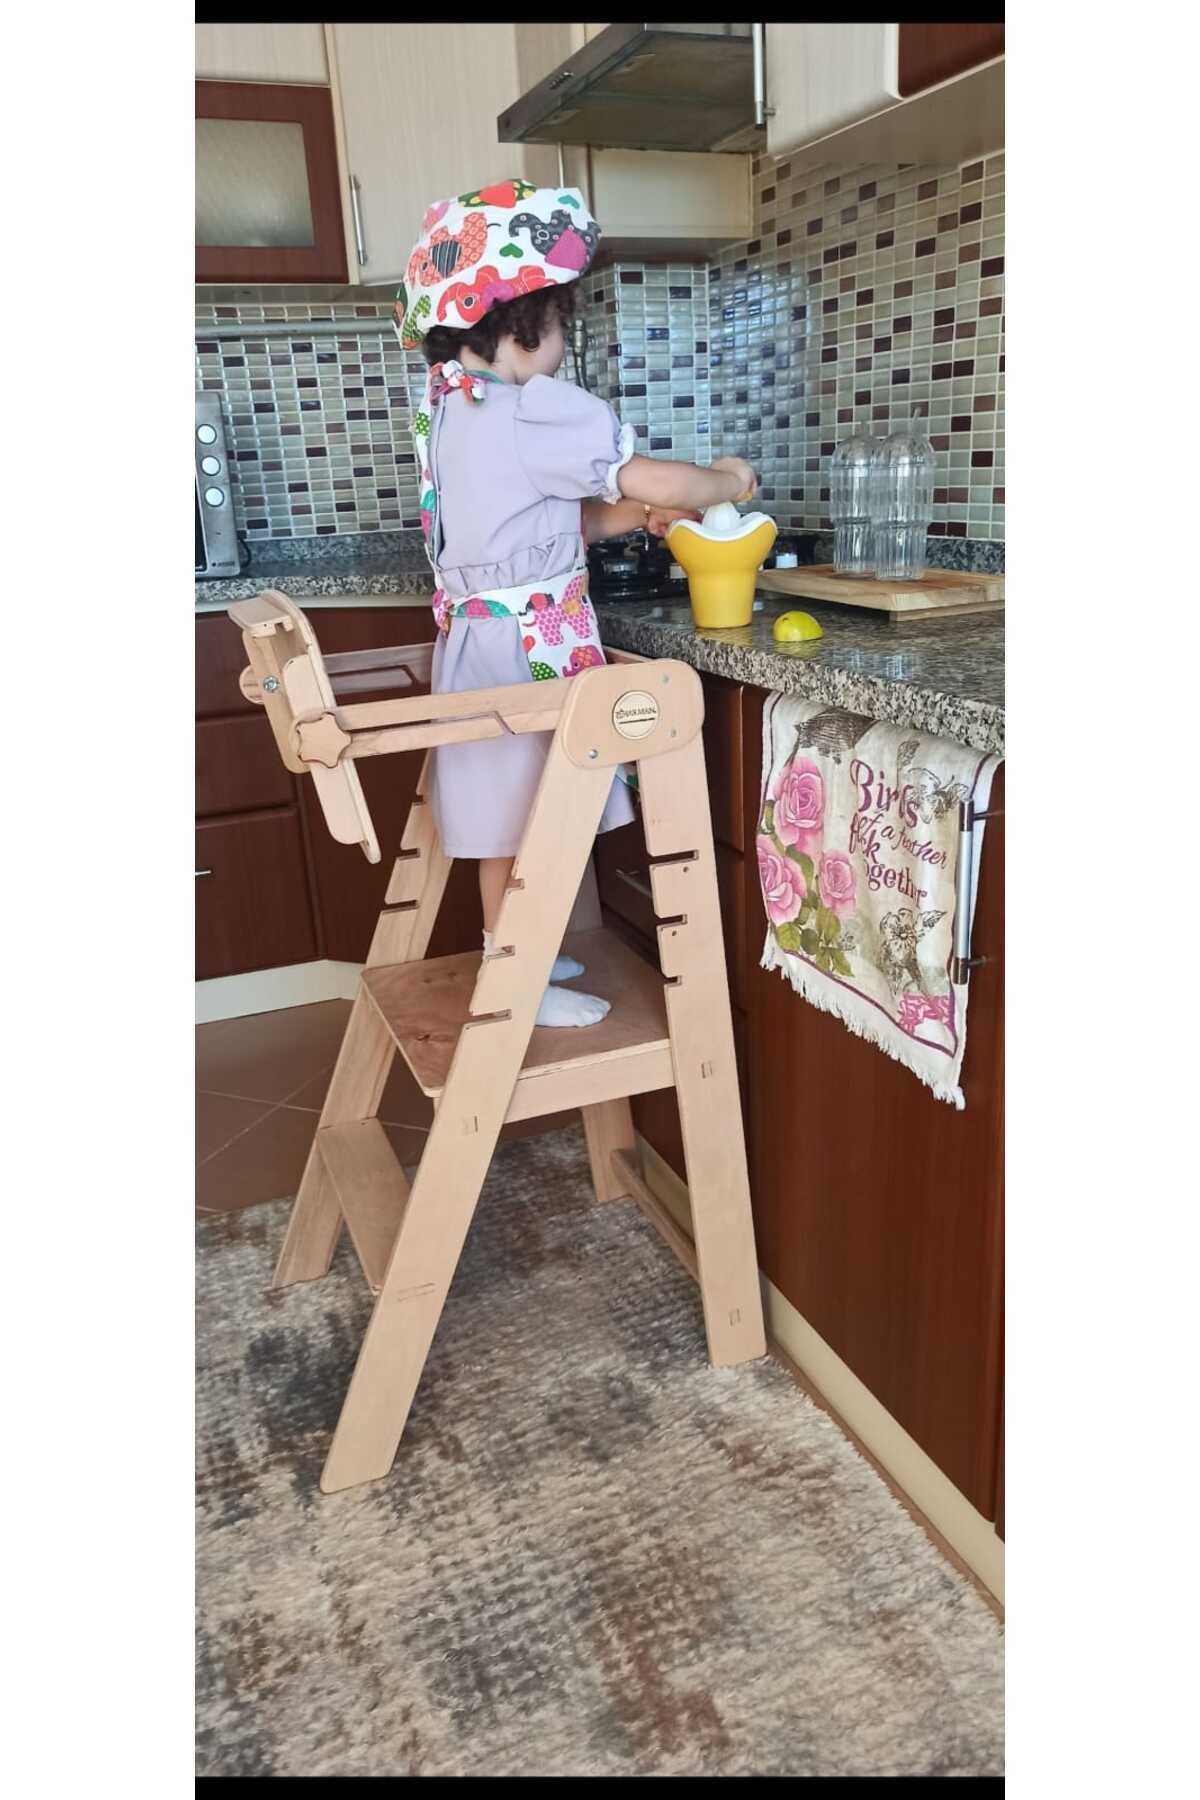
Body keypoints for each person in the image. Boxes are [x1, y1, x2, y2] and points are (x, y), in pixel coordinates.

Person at [395, 180, 757, 1027]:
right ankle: (513, 984)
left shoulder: (455, 413)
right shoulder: (530, 412)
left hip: (484, 646)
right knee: (528, 823)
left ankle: (511, 948)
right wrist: (726, 482)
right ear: (523, 326)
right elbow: (663, 479)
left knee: (512, 818)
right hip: (525, 653)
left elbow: (551, 523)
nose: (562, 344)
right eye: (560, 324)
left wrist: (632, 515)